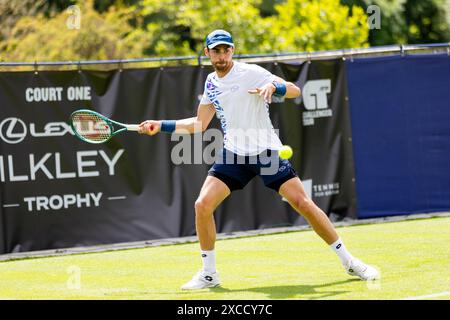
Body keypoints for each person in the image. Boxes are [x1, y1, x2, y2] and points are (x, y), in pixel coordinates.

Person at [138, 29, 379, 290]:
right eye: (216, 50)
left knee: (303, 203)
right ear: (207, 53)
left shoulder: (251, 72)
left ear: (232, 50)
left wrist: (274, 86)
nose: (221, 55)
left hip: (265, 152)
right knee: (202, 205)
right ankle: (209, 274)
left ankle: (350, 261)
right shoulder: (210, 83)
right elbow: (199, 124)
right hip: (233, 154)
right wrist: (160, 125)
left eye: (226, 49)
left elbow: (295, 90)